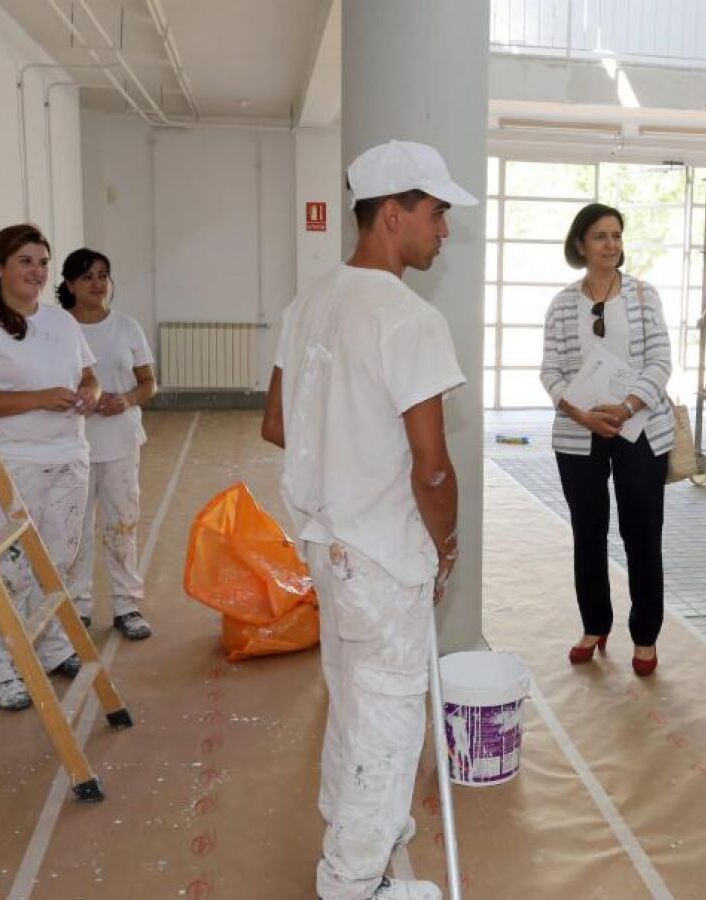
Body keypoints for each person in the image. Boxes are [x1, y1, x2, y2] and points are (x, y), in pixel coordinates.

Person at [268, 139, 474, 900]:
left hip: (329, 541)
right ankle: (354, 880)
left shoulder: (310, 302)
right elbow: (432, 468)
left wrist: (342, 450)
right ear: (393, 214)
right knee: (387, 716)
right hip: (383, 551)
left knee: (351, 693)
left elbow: (276, 422)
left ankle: (357, 823)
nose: (443, 231)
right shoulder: (407, 317)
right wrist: (445, 545)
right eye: (436, 213)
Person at [0, 224, 97, 711]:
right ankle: (2, 668)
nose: (36, 272)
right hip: (6, 465)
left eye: (42, 263)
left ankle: (51, 647)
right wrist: (39, 398)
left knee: (57, 563)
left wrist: (89, 394)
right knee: (7, 571)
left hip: (66, 458)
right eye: (25, 262)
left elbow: (89, 374)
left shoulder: (61, 322)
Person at [540, 203, 674, 678]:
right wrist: (579, 413)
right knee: (588, 533)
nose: (611, 245)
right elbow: (550, 371)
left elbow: (661, 361)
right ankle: (594, 625)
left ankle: (645, 635)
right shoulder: (562, 304)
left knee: (642, 534)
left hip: (638, 428)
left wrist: (629, 406)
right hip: (579, 433)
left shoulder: (643, 295)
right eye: (600, 236)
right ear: (581, 244)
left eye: (617, 235)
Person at [58, 248, 157, 640]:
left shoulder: (127, 327)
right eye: (87, 277)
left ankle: (126, 605)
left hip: (121, 443)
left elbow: (148, 383)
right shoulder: (58, 328)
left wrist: (126, 400)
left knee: (122, 524)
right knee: (74, 529)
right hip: (71, 446)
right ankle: (78, 606)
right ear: (70, 285)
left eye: (103, 275)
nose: (97, 284)